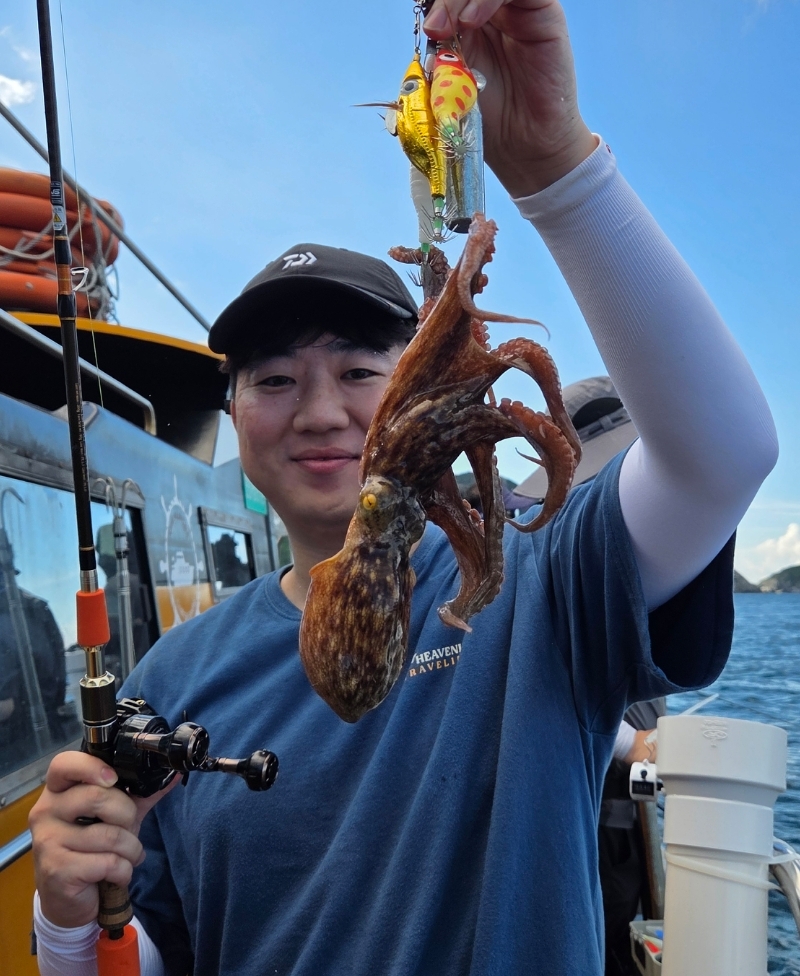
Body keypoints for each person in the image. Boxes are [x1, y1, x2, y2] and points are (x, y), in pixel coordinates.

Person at [29, 2, 778, 975]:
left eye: (356, 370)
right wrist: (68, 916)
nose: (320, 411)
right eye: (274, 380)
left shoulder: (534, 582)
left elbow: (724, 456)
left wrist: (556, 168)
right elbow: (154, 953)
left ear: (410, 381)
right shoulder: (171, 681)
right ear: (234, 411)